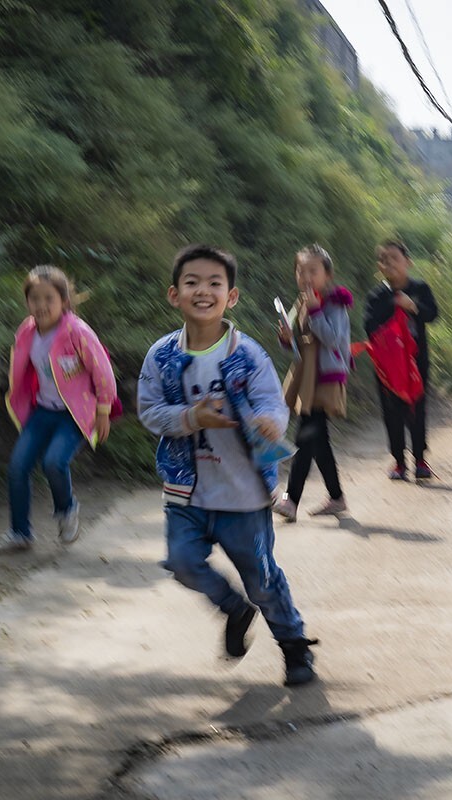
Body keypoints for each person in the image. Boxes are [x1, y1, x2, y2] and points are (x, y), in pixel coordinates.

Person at [137, 244, 318, 687]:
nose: (203, 291)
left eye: (214, 283)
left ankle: (294, 646)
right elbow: (147, 409)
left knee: (262, 577)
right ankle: (233, 608)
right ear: (174, 294)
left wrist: (270, 425)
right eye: (192, 282)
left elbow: (274, 406)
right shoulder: (161, 356)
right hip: (186, 491)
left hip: (243, 493)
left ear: (231, 297)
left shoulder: (248, 355)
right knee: (181, 562)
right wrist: (189, 418)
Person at [0, 266, 118, 553]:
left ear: (64, 301)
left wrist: (103, 410)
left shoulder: (77, 331)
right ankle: (20, 533)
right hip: (42, 411)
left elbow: (102, 370)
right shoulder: (27, 331)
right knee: (17, 467)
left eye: (49, 298)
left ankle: (67, 508)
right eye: (35, 298)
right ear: (27, 302)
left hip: (73, 414)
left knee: (53, 462)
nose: (41, 305)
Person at [273, 245, 353, 521]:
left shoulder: (335, 303)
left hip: (325, 378)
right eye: (301, 270)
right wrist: (286, 337)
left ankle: (291, 500)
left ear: (327, 275)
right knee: (318, 441)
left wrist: (317, 312)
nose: (306, 276)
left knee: (306, 436)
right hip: (307, 376)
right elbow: (298, 343)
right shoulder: (301, 301)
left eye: (313, 271)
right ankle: (336, 497)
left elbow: (333, 340)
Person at [363, 240, 440, 481]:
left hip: (417, 364)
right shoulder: (377, 295)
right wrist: (392, 305)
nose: (391, 264)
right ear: (380, 267)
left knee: (417, 411)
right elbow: (369, 325)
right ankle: (398, 461)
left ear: (408, 262)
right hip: (388, 368)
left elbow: (433, 314)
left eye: (395, 258)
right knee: (391, 413)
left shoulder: (420, 288)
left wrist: (413, 306)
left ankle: (420, 459)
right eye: (385, 260)